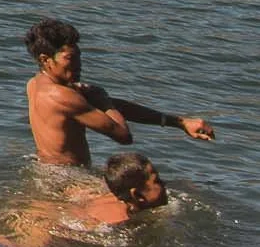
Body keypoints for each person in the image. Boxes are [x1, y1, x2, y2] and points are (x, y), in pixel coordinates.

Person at [25, 18, 215, 167]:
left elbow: (115, 108)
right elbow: (123, 135)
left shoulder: (36, 84)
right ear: (46, 59)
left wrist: (179, 122)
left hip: (47, 170)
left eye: (79, 57)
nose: (78, 64)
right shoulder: (63, 96)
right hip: (66, 179)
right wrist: (103, 98)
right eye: (70, 58)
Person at [0, 151, 173, 247]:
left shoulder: (112, 195)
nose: (164, 184)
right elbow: (84, 231)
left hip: (52, 204)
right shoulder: (121, 221)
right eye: (158, 180)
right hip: (43, 221)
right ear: (137, 195)